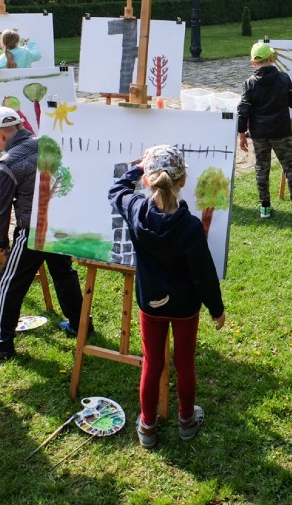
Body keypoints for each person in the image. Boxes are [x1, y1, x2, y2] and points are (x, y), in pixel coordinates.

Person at [109, 145, 226, 448]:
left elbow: (116, 189)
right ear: (183, 180)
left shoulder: (136, 210)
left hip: (151, 303)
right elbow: (204, 274)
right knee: (184, 362)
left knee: (152, 362)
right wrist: (217, 309)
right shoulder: (189, 226)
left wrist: (137, 167)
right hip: (186, 307)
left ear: (147, 181)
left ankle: (147, 426)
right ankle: (186, 420)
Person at [0, 107, 87, 361]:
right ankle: (81, 325)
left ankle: (1, 342)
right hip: (59, 225)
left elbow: (1, 208)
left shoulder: (8, 163)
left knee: (10, 284)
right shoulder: (51, 145)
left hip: (32, 230)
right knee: (64, 275)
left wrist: (1, 241)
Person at [237, 42, 292, 220]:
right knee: (290, 168)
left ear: (254, 63)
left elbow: (243, 112)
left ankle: (264, 207)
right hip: (280, 131)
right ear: (272, 59)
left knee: (261, 168)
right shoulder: (283, 78)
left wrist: (241, 135)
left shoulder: (249, 84)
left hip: (259, 133)